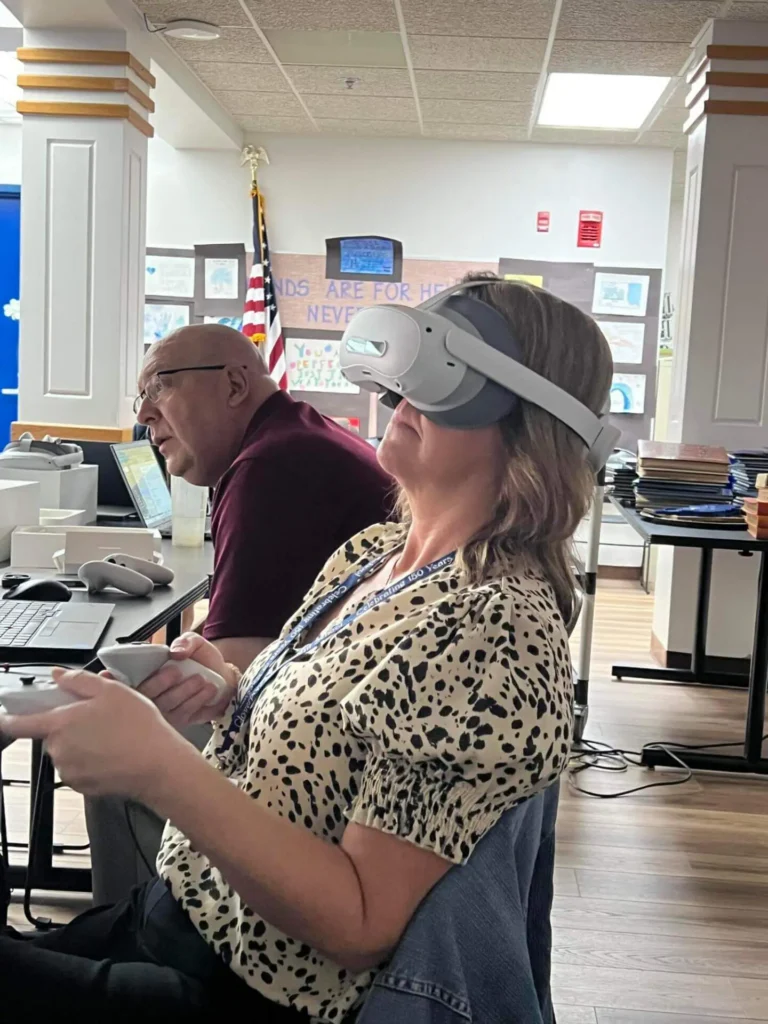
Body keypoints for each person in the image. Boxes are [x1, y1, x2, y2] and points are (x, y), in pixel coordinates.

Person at [0, 277, 613, 1023]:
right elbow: (339, 721)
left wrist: (161, 769)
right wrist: (230, 686)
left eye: (445, 384)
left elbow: (360, 923)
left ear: (530, 422)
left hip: (250, 991)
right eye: (405, 379)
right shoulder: (377, 552)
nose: (402, 401)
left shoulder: (495, 630)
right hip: (178, 916)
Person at [136, 323, 392, 673]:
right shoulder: (300, 436)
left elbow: (234, 671)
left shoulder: (270, 466)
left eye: (159, 387)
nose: (143, 414)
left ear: (235, 385)